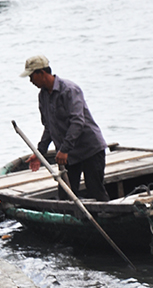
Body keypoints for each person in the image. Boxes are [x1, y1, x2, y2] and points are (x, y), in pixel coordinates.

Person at [21, 55, 110, 202]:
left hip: (89, 148)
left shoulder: (69, 90)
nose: (30, 81)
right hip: (69, 153)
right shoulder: (43, 96)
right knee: (65, 194)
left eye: (32, 76)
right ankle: (71, 222)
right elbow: (49, 127)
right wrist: (40, 152)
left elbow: (77, 122)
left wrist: (64, 150)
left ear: (42, 73)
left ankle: (108, 219)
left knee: (95, 190)